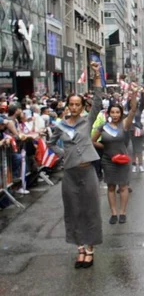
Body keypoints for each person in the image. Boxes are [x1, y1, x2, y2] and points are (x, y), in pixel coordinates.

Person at [47, 61, 103, 269]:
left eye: (78, 104)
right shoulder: (60, 125)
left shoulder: (87, 121)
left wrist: (96, 74)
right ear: (67, 106)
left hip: (87, 171)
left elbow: (98, 98)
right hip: (69, 174)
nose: (74, 107)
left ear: (82, 106)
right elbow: (51, 144)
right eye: (71, 104)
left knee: (91, 210)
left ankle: (90, 248)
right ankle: (79, 248)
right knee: (73, 211)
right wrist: (65, 154)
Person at [91, 85, 138, 225]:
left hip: (123, 159)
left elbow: (133, 110)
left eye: (118, 112)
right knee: (111, 187)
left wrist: (134, 95)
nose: (115, 115)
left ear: (120, 113)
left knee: (123, 187)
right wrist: (105, 147)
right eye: (113, 112)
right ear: (109, 113)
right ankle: (113, 213)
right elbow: (92, 141)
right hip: (108, 160)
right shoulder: (103, 126)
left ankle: (122, 212)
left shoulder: (124, 125)